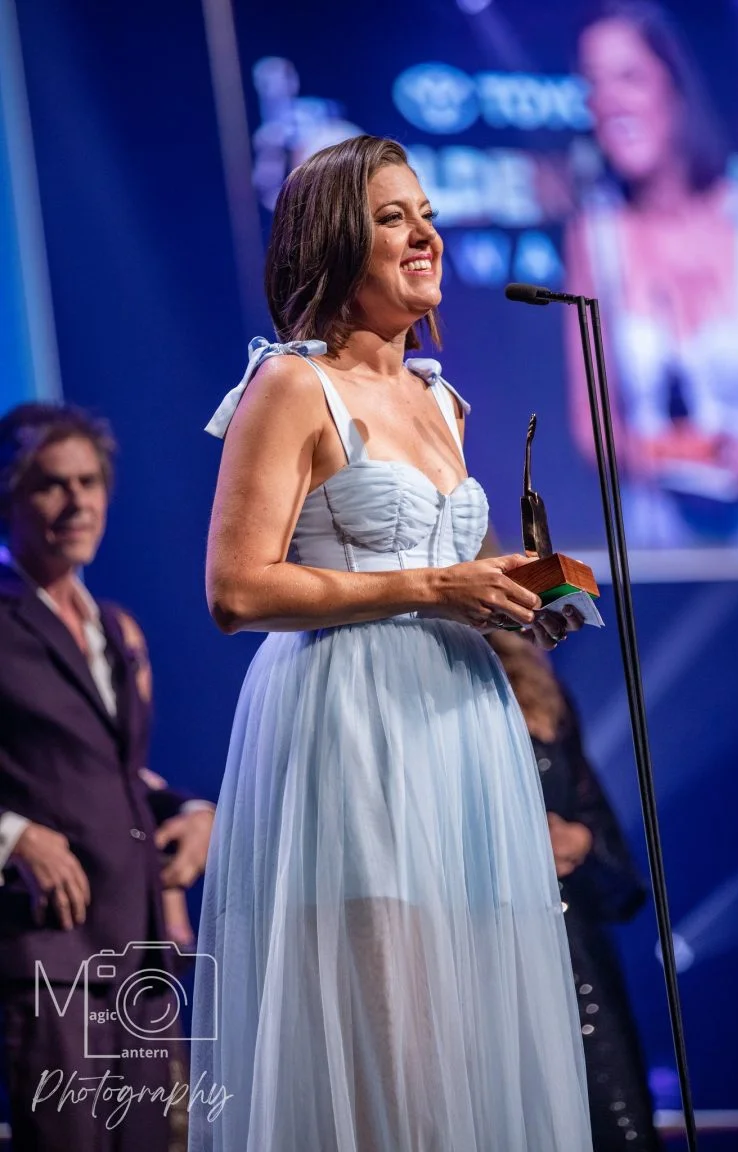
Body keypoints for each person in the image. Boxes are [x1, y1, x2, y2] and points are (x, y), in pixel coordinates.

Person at [190, 133, 593, 1152]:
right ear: (334, 240)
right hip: (353, 725)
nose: (425, 237)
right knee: (386, 1040)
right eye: (391, 218)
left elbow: (445, 569)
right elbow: (236, 590)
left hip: (462, 725)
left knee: (466, 1029)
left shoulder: (439, 399)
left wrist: (513, 599)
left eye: (429, 217)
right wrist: (430, 587)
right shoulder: (290, 387)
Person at [0, 403, 214, 1152]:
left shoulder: (112, 626)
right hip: (51, 958)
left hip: (139, 958)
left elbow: (114, 770)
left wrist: (192, 810)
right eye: (53, 486)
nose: (78, 501)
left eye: (90, 483)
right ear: (10, 497)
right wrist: (16, 836)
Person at [565, 1, 738, 547]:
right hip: (658, 546)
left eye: (629, 77)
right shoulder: (595, 237)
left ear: (675, 87)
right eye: (594, 85)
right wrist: (660, 453)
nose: (609, 103)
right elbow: (593, 432)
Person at [494, 631, 663, 1151]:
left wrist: (578, 839)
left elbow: (596, 823)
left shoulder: (537, 689)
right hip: (470, 938)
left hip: (566, 947)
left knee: (612, 1121)